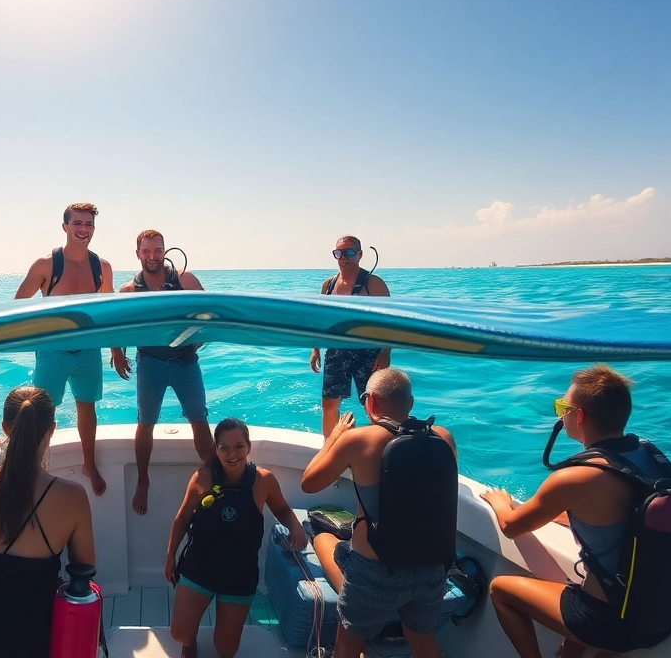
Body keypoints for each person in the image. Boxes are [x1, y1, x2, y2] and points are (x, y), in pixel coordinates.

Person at [480, 365, 671, 658]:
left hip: (611, 621)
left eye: (562, 406)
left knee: (501, 590)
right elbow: (615, 517)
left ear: (580, 415)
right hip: (660, 616)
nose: (560, 414)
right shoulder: (649, 455)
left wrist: (501, 503)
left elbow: (511, 526)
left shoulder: (576, 477)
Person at [301, 369, 458, 658]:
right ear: (410, 403)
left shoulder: (360, 440)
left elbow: (309, 482)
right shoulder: (444, 438)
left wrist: (336, 436)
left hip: (376, 572)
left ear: (370, 402)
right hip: (432, 566)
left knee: (348, 644)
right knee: (423, 642)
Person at [0, 386, 95, 658]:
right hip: (37, 642)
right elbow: (84, 568)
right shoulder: (72, 497)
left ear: (4, 426)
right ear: (51, 428)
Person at [166, 418, 306, 658]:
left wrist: (295, 525)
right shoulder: (202, 478)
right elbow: (181, 519)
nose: (232, 454)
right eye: (224, 447)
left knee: (226, 650)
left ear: (249, 447)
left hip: (239, 574)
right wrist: (170, 556)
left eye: (239, 446)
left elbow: (281, 509)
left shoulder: (264, 481)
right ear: (216, 449)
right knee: (179, 634)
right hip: (200, 566)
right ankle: (190, 643)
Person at [109, 230, 212, 515]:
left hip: (186, 362)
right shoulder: (129, 291)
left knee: (199, 420)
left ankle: (216, 479)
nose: (152, 256)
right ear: (138, 253)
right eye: (147, 251)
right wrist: (117, 350)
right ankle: (143, 480)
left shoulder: (185, 280)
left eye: (158, 250)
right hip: (150, 363)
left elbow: (211, 313)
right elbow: (116, 324)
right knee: (145, 424)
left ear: (164, 251)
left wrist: (200, 336)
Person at [14, 202, 115, 495]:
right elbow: (17, 305)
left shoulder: (102, 267)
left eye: (89, 225)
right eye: (77, 224)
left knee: (87, 406)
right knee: (41, 411)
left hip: (88, 351)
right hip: (53, 351)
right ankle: (34, 467)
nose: (83, 230)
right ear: (65, 227)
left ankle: (89, 463)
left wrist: (116, 349)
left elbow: (108, 311)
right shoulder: (46, 265)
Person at [310, 236, 391, 438]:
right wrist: (316, 347)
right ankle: (330, 448)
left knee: (374, 405)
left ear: (360, 255)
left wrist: (385, 352)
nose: (343, 257)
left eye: (350, 252)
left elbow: (391, 321)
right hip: (336, 351)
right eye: (339, 253)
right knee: (329, 403)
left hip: (368, 353)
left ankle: (379, 449)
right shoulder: (328, 285)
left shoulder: (373, 284)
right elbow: (320, 318)